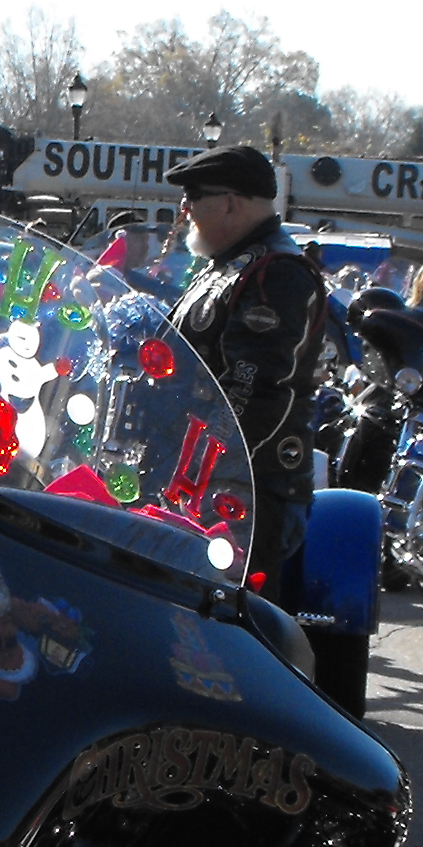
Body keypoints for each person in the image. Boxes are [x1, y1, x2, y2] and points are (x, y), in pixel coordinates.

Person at [164, 142, 328, 587]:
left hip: (240, 491)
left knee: (218, 630)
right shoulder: (231, 264)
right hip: (204, 480)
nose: (184, 211)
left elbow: (252, 392)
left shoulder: (276, 273)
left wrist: (197, 472)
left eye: (193, 198)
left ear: (230, 203)